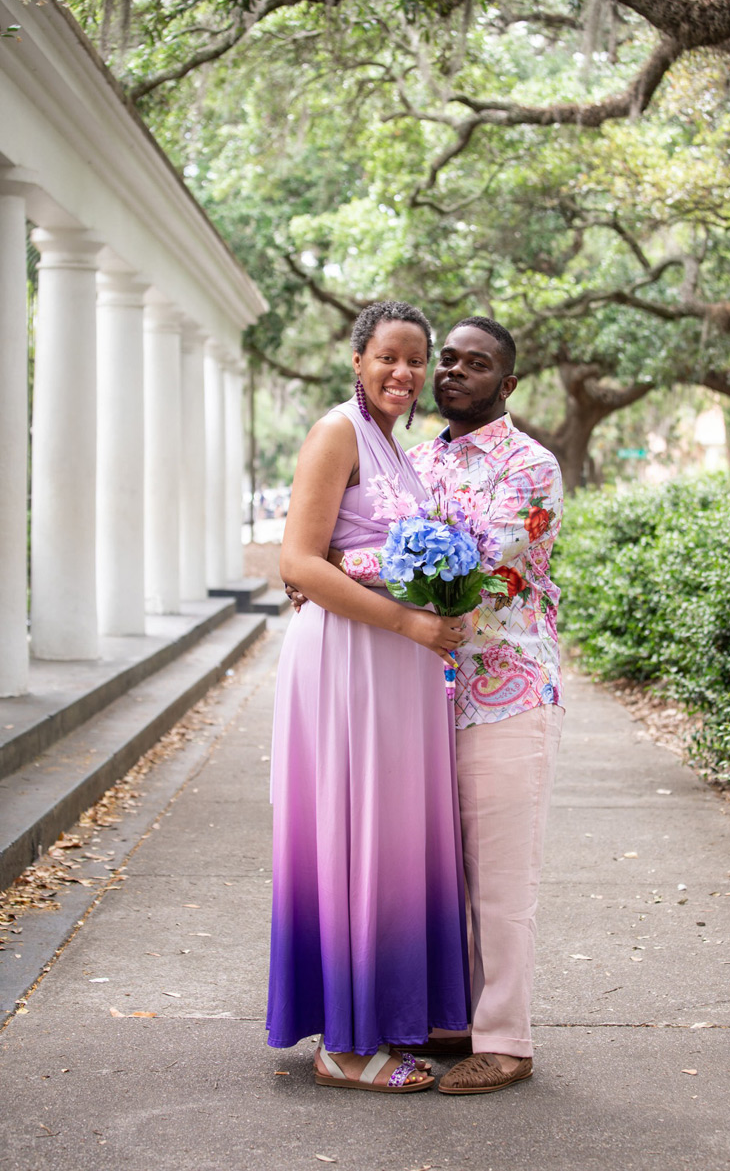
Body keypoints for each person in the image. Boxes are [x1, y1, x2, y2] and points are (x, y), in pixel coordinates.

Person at [293, 316, 564, 1094]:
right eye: (445, 359)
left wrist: (332, 560)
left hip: (506, 689)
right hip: (414, 697)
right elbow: (382, 531)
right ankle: (452, 1017)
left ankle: (506, 1040)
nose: (449, 373)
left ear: (506, 385)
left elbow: (466, 560)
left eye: (473, 365)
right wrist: (319, 558)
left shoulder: (529, 464)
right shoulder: (414, 458)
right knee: (429, 870)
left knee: (502, 879)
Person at [266, 301, 471, 1093]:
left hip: (401, 672)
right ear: (358, 360)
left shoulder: (400, 448)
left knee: (389, 845)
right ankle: (343, 1047)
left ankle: (384, 1019)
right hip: (350, 662)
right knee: (353, 839)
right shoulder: (337, 433)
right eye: (388, 357)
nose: (404, 373)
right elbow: (299, 564)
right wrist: (407, 623)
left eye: (416, 360)